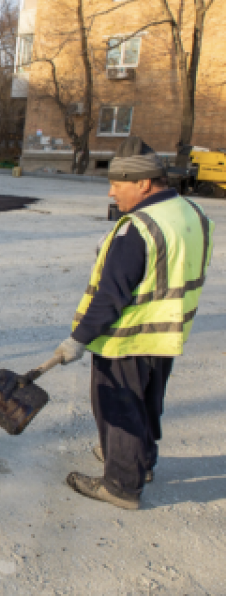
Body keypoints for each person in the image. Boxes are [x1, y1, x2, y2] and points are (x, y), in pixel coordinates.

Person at [53, 147, 214, 510]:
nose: (111, 192)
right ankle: (141, 462)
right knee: (147, 401)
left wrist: (77, 339)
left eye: (116, 184)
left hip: (129, 335)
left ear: (142, 184)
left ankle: (121, 484)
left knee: (118, 408)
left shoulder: (137, 228)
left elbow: (111, 294)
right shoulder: (192, 212)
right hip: (166, 332)